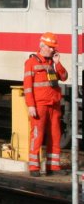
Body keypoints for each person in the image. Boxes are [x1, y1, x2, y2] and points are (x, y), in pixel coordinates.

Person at [23, 32, 69, 177]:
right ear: (42, 46)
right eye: (51, 47)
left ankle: (53, 166)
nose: (53, 50)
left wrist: (58, 63)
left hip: (54, 104)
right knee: (37, 135)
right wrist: (31, 105)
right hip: (39, 105)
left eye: (54, 47)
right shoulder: (31, 63)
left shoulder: (52, 63)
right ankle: (34, 167)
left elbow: (64, 76)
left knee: (55, 135)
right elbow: (28, 87)